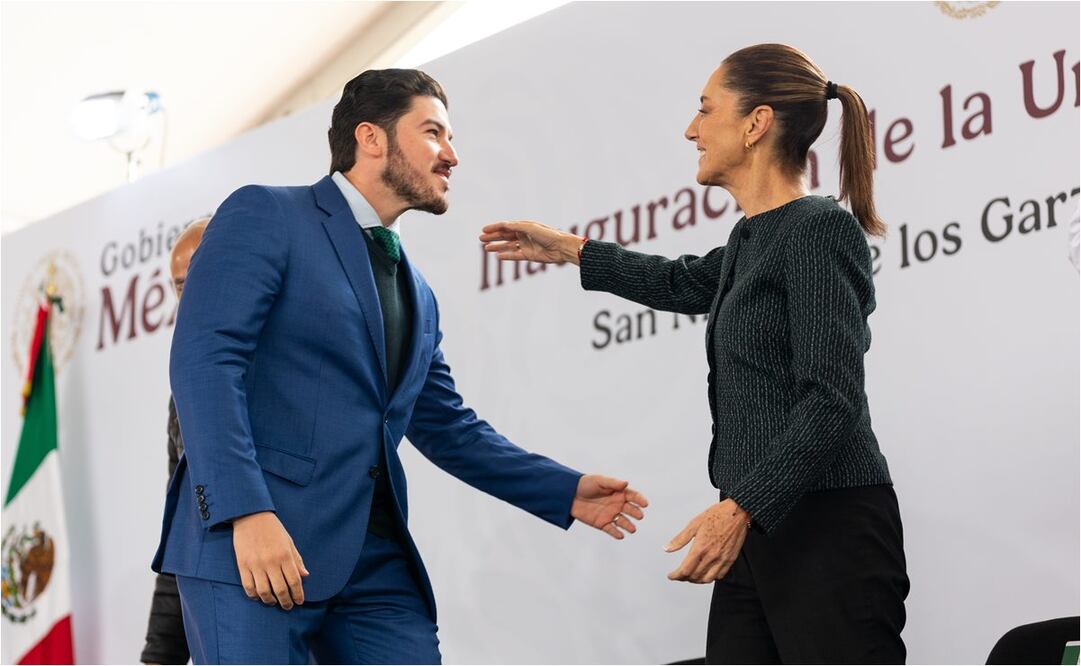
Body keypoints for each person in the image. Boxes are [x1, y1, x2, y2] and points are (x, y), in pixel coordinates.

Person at [152, 69, 648, 665]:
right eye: (434, 132)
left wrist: (561, 490)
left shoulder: (419, 292)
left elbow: (446, 426)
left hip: (376, 564)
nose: (452, 155)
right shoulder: (264, 213)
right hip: (254, 546)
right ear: (372, 138)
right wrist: (246, 513)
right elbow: (205, 362)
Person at [481, 44, 909, 664]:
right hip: (758, 526)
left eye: (706, 110)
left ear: (756, 124)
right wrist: (570, 248)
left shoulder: (817, 228)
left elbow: (833, 399)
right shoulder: (751, 237)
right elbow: (684, 282)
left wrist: (743, 508)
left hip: (825, 527)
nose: (691, 129)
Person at [140, 217, 208, 664]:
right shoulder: (182, 393)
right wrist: (158, 656)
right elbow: (181, 532)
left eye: (202, 274)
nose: (191, 296)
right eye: (182, 286)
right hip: (219, 622)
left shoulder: (294, 363)